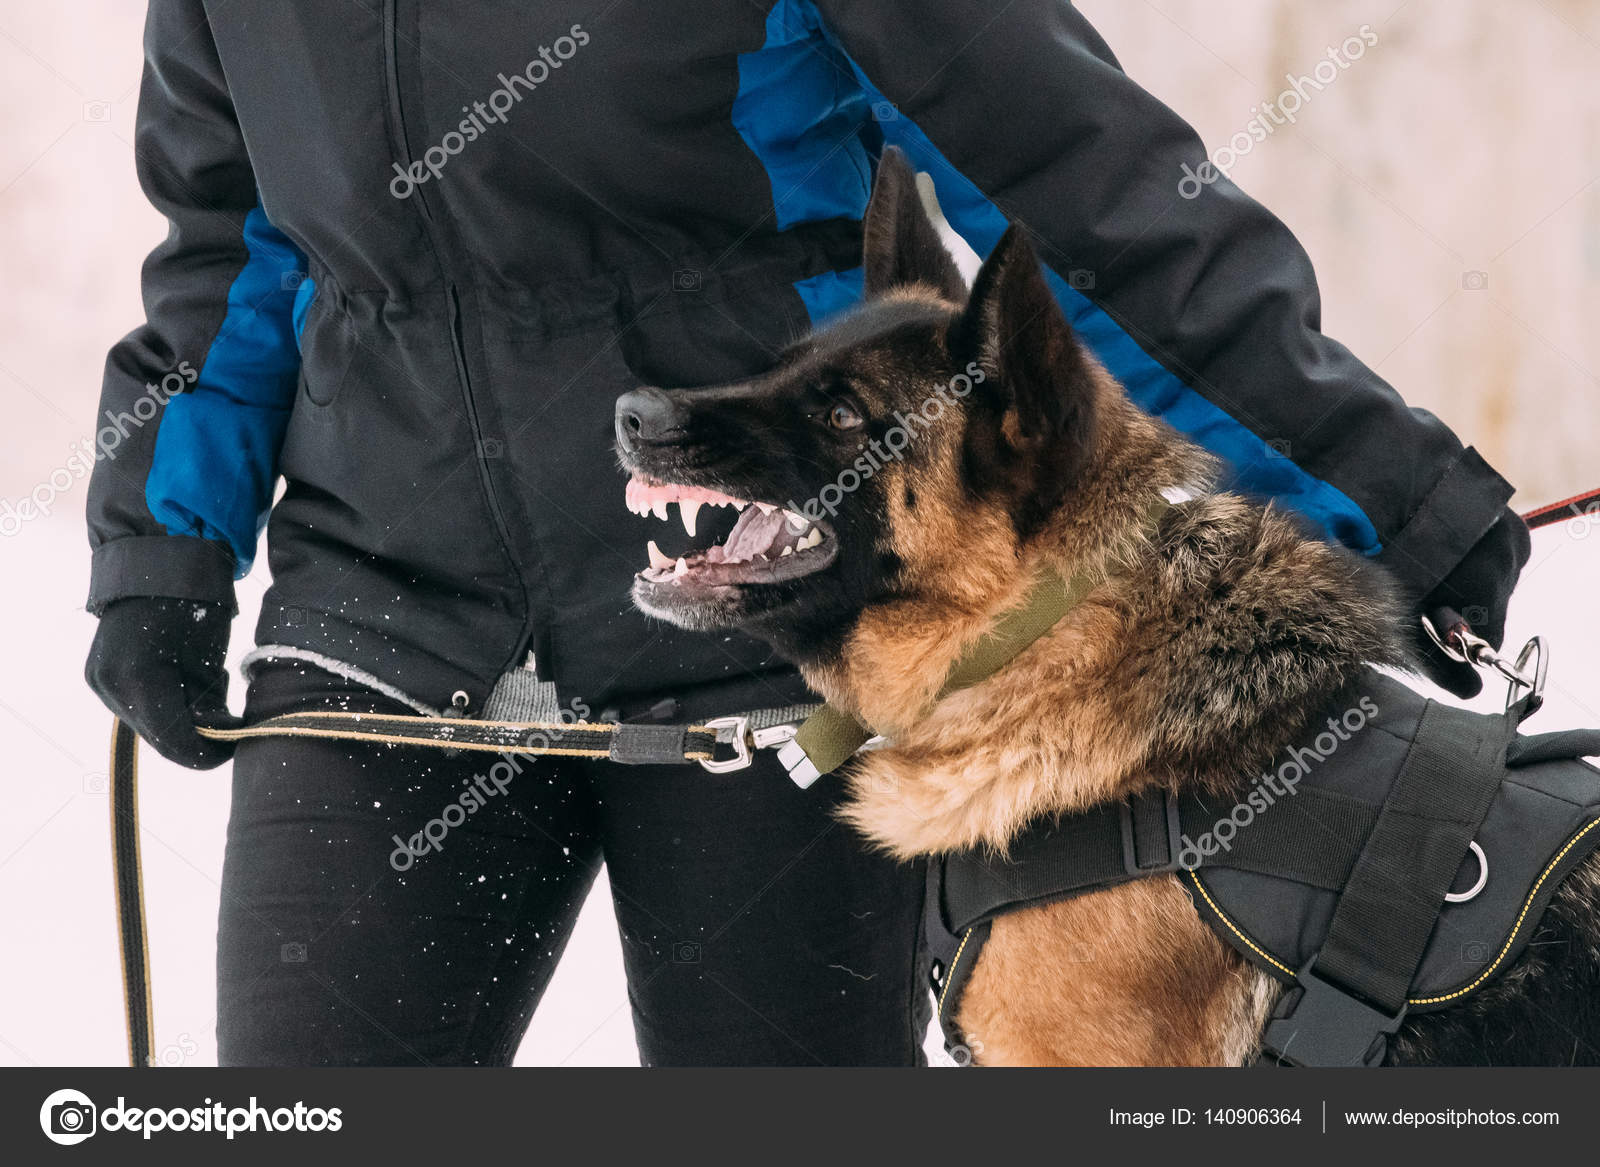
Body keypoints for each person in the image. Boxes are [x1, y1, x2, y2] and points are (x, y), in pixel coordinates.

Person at [84, 1, 1527, 1066]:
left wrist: (1368, 479)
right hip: (386, 627)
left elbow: (1072, 178)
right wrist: (165, 541)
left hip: (787, 630)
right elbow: (233, 240)